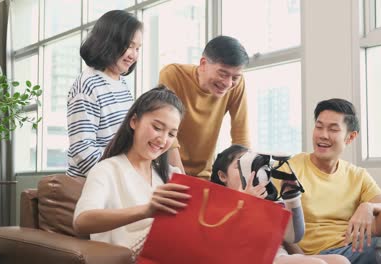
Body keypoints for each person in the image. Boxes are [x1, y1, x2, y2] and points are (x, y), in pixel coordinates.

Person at [276, 98, 381, 264]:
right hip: (321, 254)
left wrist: (368, 206)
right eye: (319, 126)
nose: (323, 135)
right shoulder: (289, 169)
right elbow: (271, 220)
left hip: (355, 244)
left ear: (350, 137)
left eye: (333, 129)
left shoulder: (356, 175)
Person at [73, 86, 190, 260]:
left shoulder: (171, 176)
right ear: (134, 121)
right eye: (157, 127)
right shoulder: (107, 170)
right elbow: (81, 221)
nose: (163, 140)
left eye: (172, 134)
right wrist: (146, 210)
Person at [211, 145, 350, 264]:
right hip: (255, 259)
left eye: (254, 165)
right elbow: (222, 244)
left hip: (279, 257)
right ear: (223, 176)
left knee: (340, 261)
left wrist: (291, 198)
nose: (250, 172)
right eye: (239, 166)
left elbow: (294, 236)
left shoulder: (269, 199)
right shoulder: (219, 206)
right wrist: (246, 205)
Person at [159, 35, 250, 179]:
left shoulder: (237, 85)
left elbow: (241, 136)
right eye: (223, 74)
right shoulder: (173, 75)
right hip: (168, 171)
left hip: (205, 175)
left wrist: (245, 181)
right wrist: (181, 179)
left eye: (234, 77)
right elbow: (166, 131)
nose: (228, 83)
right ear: (203, 63)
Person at [66, 10, 142, 177]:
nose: (134, 55)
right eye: (130, 46)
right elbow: (83, 150)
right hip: (96, 182)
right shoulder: (88, 84)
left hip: (118, 174)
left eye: (137, 48)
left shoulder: (121, 83)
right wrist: (118, 178)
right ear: (109, 41)